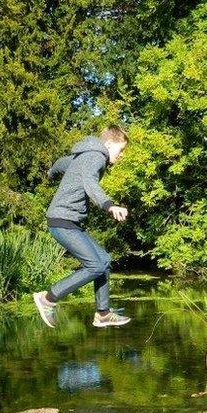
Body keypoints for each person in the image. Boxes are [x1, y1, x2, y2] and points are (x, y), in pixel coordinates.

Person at [33, 126, 131, 328]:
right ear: (109, 144)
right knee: (95, 265)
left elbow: (62, 163)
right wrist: (109, 205)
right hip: (63, 220)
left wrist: (51, 172)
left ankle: (103, 314)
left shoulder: (83, 156)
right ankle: (48, 298)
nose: (121, 156)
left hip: (68, 221)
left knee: (103, 260)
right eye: (120, 151)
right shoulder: (96, 157)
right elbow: (89, 182)